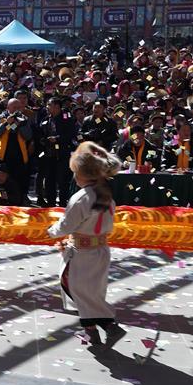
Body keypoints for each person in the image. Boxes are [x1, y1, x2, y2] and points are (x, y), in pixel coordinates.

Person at [47, 141, 125, 350]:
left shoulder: (81, 198)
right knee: (92, 292)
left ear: (84, 174)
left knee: (74, 287)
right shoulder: (106, 196)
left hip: (81, 253)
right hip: (100, 250)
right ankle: (97, 330)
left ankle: (105, 326)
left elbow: (66, 225)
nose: (74, 176)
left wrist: (51, 230)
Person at [0, 99, 33, 204]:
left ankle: (19, 201)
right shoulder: (1, 118)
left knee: (19, 182)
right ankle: (1, 200)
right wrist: (7, 122)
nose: (17, 110)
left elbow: (28, 136)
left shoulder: (24, 119)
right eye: (14, 107)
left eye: (18, 108)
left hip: (19, 157)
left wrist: (19, 125)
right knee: (3, 182)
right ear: (8, 108)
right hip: (3, 157)